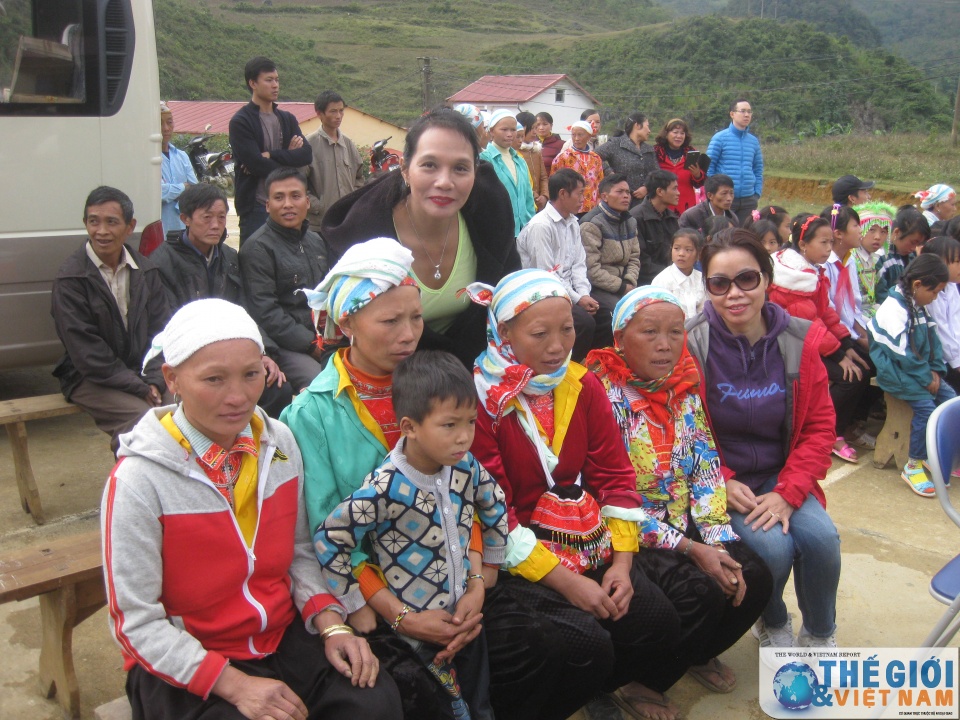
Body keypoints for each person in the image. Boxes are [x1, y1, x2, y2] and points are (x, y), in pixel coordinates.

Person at [283, 239, 573, 720]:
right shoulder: (311, 415)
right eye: (389, 321)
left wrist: (477, 583)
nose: (408, 334)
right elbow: (327, 533)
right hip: (377, 598)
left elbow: (469, 490)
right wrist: (400, 615)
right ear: (347, 323)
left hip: (460, 574)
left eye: (416, 318)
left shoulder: (438, 382)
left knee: (551, 646)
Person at [103, 298, 401, 720]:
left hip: (280, 635)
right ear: (173, 379)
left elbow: (300, 551)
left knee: (373, 702)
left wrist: (331, 623)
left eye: (251, 374)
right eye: (214, 379)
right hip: (189, 661)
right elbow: (136, 622)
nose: (238, 397)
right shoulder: (140, 480)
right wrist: (235, 685)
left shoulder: (278, 444)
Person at [465, 269, 700, 720]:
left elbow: (614, 475)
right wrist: (568, 583)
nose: (558, 346)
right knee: (580, 641)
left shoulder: (580, 383)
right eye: (540, 334)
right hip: (515, 555)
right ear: (504, 333)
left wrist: (622, 564)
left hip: (581, 535)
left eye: (567, 329)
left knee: (656, 619)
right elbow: (494, 512)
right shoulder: (482, 399)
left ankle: (602, 687)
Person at [586, 286, 772, 698]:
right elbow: (609, 496)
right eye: (650, 332)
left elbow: (706, 467)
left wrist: (717, 539)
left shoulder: (682, 387)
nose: (665, 344)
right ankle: (641, 681)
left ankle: (696, 653)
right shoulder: (601, 396)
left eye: (675, 332)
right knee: (698, 593)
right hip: (631, 531)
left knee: (752, 575)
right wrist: (690, 548)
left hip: (683, 519)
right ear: (620, 338)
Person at [315, 350, 507, 720]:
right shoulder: (385, 488)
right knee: (443, 708)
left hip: (466, 615)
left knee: (479, 701)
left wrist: (487, 572)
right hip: (414, 634)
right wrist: (353, 602)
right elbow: (330, 538)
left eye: (470, 422)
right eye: (449, 425)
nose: (464, 437)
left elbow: (494, 502)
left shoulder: (464, 466)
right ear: (409, 427)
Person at [686, 228, 840, 649]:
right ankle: (771, 621)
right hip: (724, 480)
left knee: (822, 540)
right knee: (772, 549)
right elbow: (683, 430)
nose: (734, 293)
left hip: (782, 473)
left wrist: (789, 492)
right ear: (708, 288)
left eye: (747, 279)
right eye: (720, 283)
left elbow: (819, 427)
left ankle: (820, 633)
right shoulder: (691, 344)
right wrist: (719, 480)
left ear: (767, 279)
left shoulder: (799, 341)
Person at [321, 107, 519, 369]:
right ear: (405, 169)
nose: (444, 182)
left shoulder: (491, 218)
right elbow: (340, 338)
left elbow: (512, 299)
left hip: (475, 369)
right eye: (429, 165)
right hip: (388, 376)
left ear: (475, 171)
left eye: (460, 168)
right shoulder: (361, 237)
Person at [150, 183, 293, 418]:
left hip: (233, 352)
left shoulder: (229, 257)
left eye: (221, 217)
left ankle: (255, 439)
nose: (216, 225)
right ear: (185, 219)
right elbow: (167, 323)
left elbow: (244, 311)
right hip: (190, 353)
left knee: (277, 387)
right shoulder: (163, 261)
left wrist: (261, 352)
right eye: (207, 218)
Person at [51, 186, 171, 453]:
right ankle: (133, 480)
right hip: (88, 377)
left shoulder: (146, 271)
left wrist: (154, 380)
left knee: (185, 409)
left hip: (141, 372)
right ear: (85, 223)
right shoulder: (71, 278)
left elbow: (162, 334)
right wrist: (138, 386)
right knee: (143, 422)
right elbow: (86, 352)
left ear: (130, 227)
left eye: (112, 222)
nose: (101, 231)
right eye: (94, 221)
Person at [768, 214, 871, 463]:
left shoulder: (812, 270)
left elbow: (824, 312)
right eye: (823, 242)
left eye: (830, 242)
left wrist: (846, 343)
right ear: (803, 244)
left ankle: (846, 425)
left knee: (866, 364)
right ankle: (826, 432)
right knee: (849, 376)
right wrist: (839, 354)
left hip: (811, 340)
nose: (828, 248)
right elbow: (808, 324)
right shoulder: (793, 278)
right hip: (790, 345)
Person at [868, 253, 955, 496]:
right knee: (926, 409)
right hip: (894, 372)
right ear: (917, 284)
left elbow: (933, 341)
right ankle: (913, 464)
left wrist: (936, 370)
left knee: (951, 402)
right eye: (934, 292)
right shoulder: (893, 307)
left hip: (918, 371)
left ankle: (934, 456)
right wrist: (926, 377)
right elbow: (902, 354)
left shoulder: (918, 304)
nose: (935, 297)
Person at [239, 168, 328, 392]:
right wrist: (311, 344)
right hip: (284, 345)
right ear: (267, 205)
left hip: (322, 336)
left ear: (307, 202)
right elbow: (266, 312)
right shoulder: (258, 248)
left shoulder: (315, 241)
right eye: (279, 198)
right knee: (322, 381)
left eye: (295, 196)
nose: (288, 204)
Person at [517, 168, 602, 358]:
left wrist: (584, 294)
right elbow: (547, 275)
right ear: (563, 194)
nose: (583, 199)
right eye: (580, 194)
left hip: (568, 291)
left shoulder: (573, 223)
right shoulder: (541, 226)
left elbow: (579, 265)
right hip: (543, 294)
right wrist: (578, 299)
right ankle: (564, 365)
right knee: (584, 323)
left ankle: (589, 363)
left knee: (606, 313)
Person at [229, 56, 312, 244]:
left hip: (287, 205)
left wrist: (272, 154)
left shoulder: (287, 119)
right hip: (256, 207)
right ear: (253, 83)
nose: (275, 85)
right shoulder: (241, 121)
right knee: (256, 256)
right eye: (269, 80)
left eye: (277, 80)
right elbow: (257, 165)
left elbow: (306, 154)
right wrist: (290, 158)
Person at [579, 173, 641, 336]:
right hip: (598, 287)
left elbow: (634, 258)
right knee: (618, 313)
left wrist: (629, 282)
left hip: (626, 283)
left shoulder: (630, 221)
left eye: (627, 192)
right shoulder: (591, 224)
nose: (626, 196)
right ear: (605, 196)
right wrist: (622, 287)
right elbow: (592, 270)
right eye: (619, 192)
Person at [303, 90, 365, 231]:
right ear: (319, 114)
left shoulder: (348, 144)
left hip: (347, 221)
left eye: (341, 111)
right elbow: (299, 184)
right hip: (319, 225)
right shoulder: (309, 145)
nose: (338, 116)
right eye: (333, 111)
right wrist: (318, 206)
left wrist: (352, 200)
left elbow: (359, 177)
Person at [480, 108, 537, 236]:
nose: (510, 134)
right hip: (498, 232)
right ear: (491, 131)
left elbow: (528, 198)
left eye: (513, 129)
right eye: (504, 129)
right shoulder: (485, 160)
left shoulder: (519, 161)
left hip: (523, 231)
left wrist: (531, 224)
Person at [705, 99, 763, 223]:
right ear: (732, 114)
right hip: (724, 198)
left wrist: (756, 193)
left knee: (744, 233)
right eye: (743, 111)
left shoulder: (753, 141)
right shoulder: (719, 138)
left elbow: (758, 169)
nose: (746, 115)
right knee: (723, 231)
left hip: (748, 199)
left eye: (749, 112)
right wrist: (714, 192)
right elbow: (709, 167)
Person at [595, 113, 659, 208]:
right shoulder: (616, 144)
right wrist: (609, 173)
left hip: (645, 203)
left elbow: (656, 173)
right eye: (647, 126)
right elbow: (594, 157)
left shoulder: (649, 149)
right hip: (620, 202)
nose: (649, 131)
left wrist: (646, 187)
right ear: (637, 125)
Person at [922, 237, 960, 394]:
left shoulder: (951, 287)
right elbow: (941, 331)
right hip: (939, 361)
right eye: (957, 261)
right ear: (939, 263)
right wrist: (957, 362)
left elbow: (956, 324)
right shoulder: (929, 292)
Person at [631, 169, 681, 285]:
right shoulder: (636, 218)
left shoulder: (671, 218)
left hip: (672, 278)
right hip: (646, 282)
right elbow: (641, 261)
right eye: (674, 189)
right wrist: (672, 274)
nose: (678, 193)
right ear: (660, 191)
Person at [875, 206, 930, 304]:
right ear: (897, 232)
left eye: (918, 244)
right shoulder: (880, 258)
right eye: (913, 242)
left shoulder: (911, 257)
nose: (914, 248)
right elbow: (881, 295)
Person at [550, 120, 604, 216]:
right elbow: (554, 183)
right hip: (570, 207)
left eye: (580, 135)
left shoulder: (596, 158)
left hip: (592, 208)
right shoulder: (563, 157)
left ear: (589, 136)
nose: (576, 138)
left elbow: (600, 182)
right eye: (573, 135)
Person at [852, 201, 895, 321]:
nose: (878, 237)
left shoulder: (874, 259)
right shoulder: (850, 259)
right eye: (872, 230)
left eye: (883, 232)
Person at [160, 102, 197, 236]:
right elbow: (159, 193)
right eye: (160, 123)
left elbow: (194, 190)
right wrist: (183, 187)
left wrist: (171, 190)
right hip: (161, 230)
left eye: (169, 122)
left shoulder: (181, 156)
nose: (166, 128)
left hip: (183, 230)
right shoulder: (147, 158)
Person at [654, 118, 706, 214]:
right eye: (675, 132)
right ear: (666, 134)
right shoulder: (656, 152)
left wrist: (697, 174)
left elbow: (699, 183)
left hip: (686, 205)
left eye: (682, 133)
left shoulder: (691, 153)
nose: (679, 136)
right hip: (662, 205)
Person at [651, 229, 706, 319]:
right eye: (676, 248)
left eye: (688, 250)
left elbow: (704, 311)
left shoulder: (701, 279)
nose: (681, 254)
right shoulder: (662, 280)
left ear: (699, 254)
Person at [516, 111, 549, 211]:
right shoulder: (516, 151)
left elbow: (543, 177)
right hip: (525, 201)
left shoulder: (536, 150)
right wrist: (533, 195)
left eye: (536, 128)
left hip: (540, 202)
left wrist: (544, 195)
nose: (535, 132)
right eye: (532, 128)